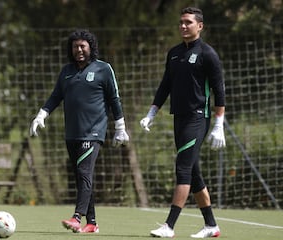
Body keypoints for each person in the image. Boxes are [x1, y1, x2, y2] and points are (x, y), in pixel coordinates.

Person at [30, 29, 129, 234]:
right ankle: (92, 223)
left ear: (91, 47)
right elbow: (55, 96)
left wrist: (120, 127)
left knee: (85, 173)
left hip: (93, 132)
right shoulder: (67, 71)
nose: (79, 50)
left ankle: (77, 217)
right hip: (72, 133)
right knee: (82, 178)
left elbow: (114, 99)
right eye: (75, 46)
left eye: (83, 46)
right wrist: (41, 115)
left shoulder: (103, 69)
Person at [140, 7, 226, 238]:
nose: (183, 26)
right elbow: (165, 84)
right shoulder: (174, 53)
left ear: (200, 26)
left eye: (188, 22)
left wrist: (219, 124)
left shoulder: (208, 54)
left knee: (183, 169)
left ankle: (169, 225)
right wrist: (151, 112)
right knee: (194, 172)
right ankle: (211, 225)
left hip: (198, 118)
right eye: (181, 22)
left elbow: (219, 90)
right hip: (179, 118)